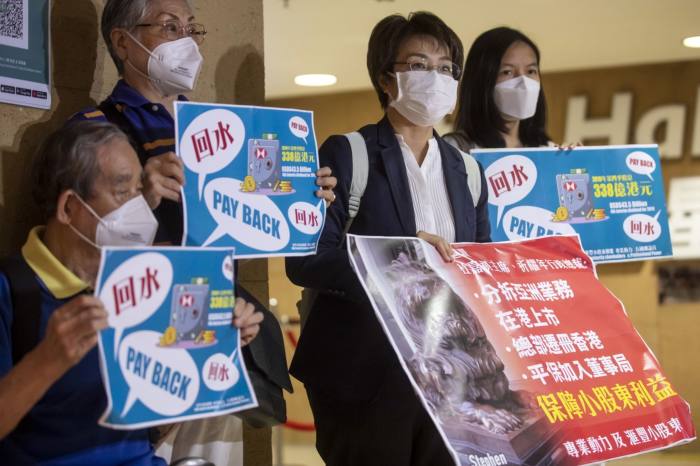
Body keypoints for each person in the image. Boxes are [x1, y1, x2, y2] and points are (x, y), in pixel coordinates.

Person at [73, 1, 336, 464]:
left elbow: (255, 214)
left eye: (191, 28)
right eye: (170, 27)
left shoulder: (220, 128)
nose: (187, 41)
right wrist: (142, 196)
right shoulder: (93, 131)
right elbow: (74, 244)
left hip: (221, 331)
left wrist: (304, 198)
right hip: (139, 341)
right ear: (121, 40)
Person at [285, 12, 490, 466]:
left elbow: (480, 270)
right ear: (386, 78)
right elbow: (304, 261)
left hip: (452, 383)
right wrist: (399, 255)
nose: (435, 78)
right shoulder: (348, 153)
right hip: (368, 377)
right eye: (418, 65)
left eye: (445, 68)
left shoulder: (470, 171)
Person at [0, 120, 263, 465]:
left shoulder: (152, 284)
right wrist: (48, 359)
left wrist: (215, 349)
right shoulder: (12, 290)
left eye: (141, 189)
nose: (140, 206)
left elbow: (159, 424)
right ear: (68, 208)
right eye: (123, 192)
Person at [445, 27, 551, 151]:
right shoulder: (455, 148)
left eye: (531, 71)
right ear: (482, 81)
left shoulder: (545, 149)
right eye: (507, 72)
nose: (524, 82)